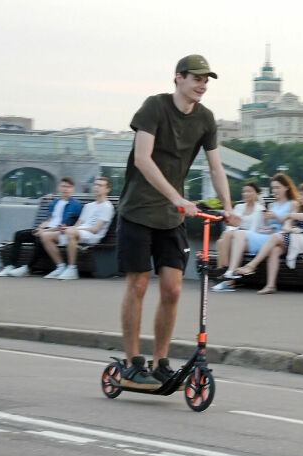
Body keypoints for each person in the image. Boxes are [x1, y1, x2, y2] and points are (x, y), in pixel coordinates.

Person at [117, 54, 235, 387]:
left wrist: (228, 206)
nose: (202, 85)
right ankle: (132, 362)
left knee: (172, 288)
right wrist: (177, 197)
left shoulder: (205, 119)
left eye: (206, 80)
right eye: (196, 79)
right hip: (139, 210)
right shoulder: (154, 107)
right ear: (178, 79)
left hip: (173, 216)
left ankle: (160, 363)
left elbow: (215, 167)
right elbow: (142, 159)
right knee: (138, 284)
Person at [211, 173, 297, 292]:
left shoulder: (293, 204)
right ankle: (231, 272)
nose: (275, 190)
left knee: (236, 237)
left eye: (278, 187)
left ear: (286, 187)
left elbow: (289, 224)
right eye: (273, 188)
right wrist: (266, 222)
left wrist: (276, 217)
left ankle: (231, 278)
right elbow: (267, 225)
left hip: (281, 237)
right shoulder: (272, 204)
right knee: (239, 234)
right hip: (268, 235)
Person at [234, 181, 303, 294]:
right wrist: (287, 226)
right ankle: (271, 285)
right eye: (300, 194)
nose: (301, 197)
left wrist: (289, 215)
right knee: (274, 250)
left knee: (276, 236)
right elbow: (288, 223)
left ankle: (252, 265)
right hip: (294, 237)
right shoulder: (300, 207)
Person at [0, 177, 83, 277]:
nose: (65, 189)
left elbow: (67, 226)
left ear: (73, 189)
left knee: (40, 238)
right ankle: (10, 266)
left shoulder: (76, 205)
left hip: (57, 233)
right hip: (46, 230)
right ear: (59, 188)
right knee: (19, 235)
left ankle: (27, 268)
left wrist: (45, 231)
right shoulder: (55, 202)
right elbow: (49, 219)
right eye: (63, 186)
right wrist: (40, 228)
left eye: (68, 187)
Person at [35, 177, 115, 280]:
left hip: (93, 236)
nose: (96, 187)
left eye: (100, 185)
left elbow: (96, 229)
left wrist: (74, 230)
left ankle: (72, 268)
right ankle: (60, 266)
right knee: (46, 236)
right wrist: (66, 228)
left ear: (107, 189)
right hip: (78, 232)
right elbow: (77, 225)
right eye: (95, 185)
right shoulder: (88, 206)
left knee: (70, 232)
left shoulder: (107, 207)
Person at [210, 181, 264, 281]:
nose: (246, 194)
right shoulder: (239, 207)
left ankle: (223, 269)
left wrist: (235, 233)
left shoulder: (260, 209)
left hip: (250, 236)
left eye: (249, 191)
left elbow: (254, 229)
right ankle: (225, 269)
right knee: (222, 239)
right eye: (244, 192)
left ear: (256, 193)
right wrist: (233, 232)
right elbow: (231, 225)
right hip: (235, 233)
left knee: (225, 238)